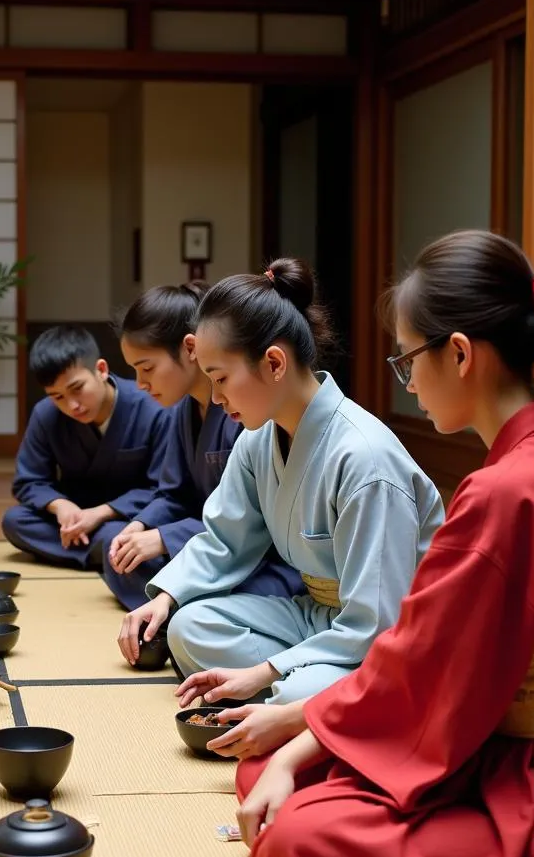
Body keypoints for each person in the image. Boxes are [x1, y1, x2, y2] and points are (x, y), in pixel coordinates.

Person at [236, 230, 534, 857]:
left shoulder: (510, 488)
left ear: (459, 353)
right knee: (273, 773)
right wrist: (305, 732)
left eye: (407, 359)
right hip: (499, 738)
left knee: (297, 839)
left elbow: (421, 669)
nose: (406, 383)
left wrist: (303, 738)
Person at [118, 259, 443, 756]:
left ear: (273, 363)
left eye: (221, 378)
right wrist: (164, 598)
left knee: (294, 691)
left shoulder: (365, 459)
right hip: (316, 617)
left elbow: (378, 623)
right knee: (189, 626)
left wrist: (265, 670)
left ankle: (297, 697)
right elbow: (225, 540)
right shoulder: (259, 439)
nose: (216, 397)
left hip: (384, 637)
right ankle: (303, 691)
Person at [106, 281, 301, 610]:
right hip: (205, 545)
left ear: (189, 348)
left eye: (147, 368)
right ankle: (177, 609)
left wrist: (165, 538)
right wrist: (141, 524)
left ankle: (179, 611)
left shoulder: (247, 413)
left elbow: (252, 522)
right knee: (119, 557)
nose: (139, 384)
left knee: (195, 604)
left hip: (251, 554)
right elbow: (173, 494)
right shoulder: (182, 412)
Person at [2, 324, 170, 575]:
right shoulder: (46, 414)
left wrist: (101, 514)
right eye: (57, 397)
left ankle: (101, 551)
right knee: (15, 521)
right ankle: (106, 556)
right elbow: (29, 480)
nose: (72, 405)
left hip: (124, 519)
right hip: (73, 519)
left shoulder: (151, 408)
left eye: (77, 388)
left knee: (119, 536)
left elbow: (162, 488)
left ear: (101, 370)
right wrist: (61, 506)